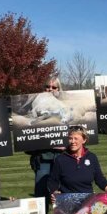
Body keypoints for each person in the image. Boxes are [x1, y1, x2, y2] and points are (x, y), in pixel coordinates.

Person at [48, 126, 107, 200]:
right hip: (67, 203)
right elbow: (52, 181)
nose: (72, 141)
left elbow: (100, 179)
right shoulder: (60, 159)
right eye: (70, 138)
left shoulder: (92, 157)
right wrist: (54, 192)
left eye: (76, 138)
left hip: (87, 202)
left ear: (84, 140)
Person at [27, 77, 64, 205]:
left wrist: (66, 146)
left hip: (62, 157)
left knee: (61, 192)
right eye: (47, 86)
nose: (50, 89)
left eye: (54, 87)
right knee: (41, 192)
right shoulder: (36, 104)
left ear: (59, 89)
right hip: (43, 158)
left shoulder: (65, 105)